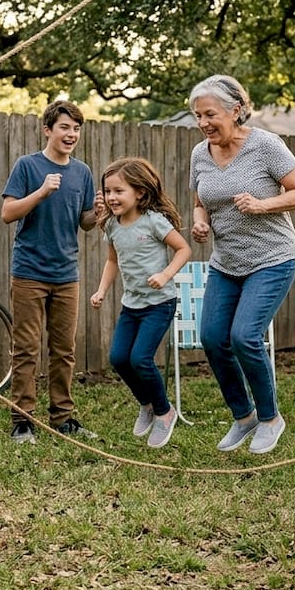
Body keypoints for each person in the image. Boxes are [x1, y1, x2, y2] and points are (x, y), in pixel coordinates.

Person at [188, 75, 295, 455]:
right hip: (227, 262)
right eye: (198, 116)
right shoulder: (200, 153)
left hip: (272, 258)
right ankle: (243, 417)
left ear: (236, 110)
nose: (204, 123)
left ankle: (270, 418)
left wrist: (263, 205)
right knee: (212, 337)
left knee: (244, 336)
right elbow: (200, 200)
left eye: (210, 114)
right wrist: (200, 220)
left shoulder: (265, 146)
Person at [2, 99, 105, 444]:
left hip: (66, 274)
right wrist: (42, 191)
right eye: (65, 127)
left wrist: (100, 214)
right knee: (27, 348)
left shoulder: (83, 172)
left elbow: (86, 223)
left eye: (76, 128)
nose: (71, 133)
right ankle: (23, 421)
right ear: (48, 129)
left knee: (64, 350)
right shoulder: (28, 166)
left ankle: (62, 417)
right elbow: (8, 213)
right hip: (29, 272)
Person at [89, 158, 193, 448]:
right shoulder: (111, 225)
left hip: (160, 303)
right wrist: (101, 291)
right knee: (119, 359)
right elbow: (112, 260)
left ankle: (164, 411)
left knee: (140, 359)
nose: (111, 197)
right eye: (108, 191)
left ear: (140, 193)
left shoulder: (153, 221)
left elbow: (184, 249)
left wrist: (165, 273)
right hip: (132, 305)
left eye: (119, 191)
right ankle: (146, 404)